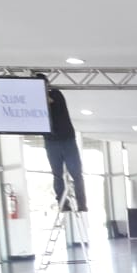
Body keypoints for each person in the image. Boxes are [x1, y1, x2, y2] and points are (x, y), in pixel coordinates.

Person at [34, 73, 87, 212]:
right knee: (57, 174)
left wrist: (37, 91)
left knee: (76, 173)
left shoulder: (56, 94)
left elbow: (48, 101)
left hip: (67, 139)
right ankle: (63, 203)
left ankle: (81, 203)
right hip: (51, 141)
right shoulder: (35, 100)